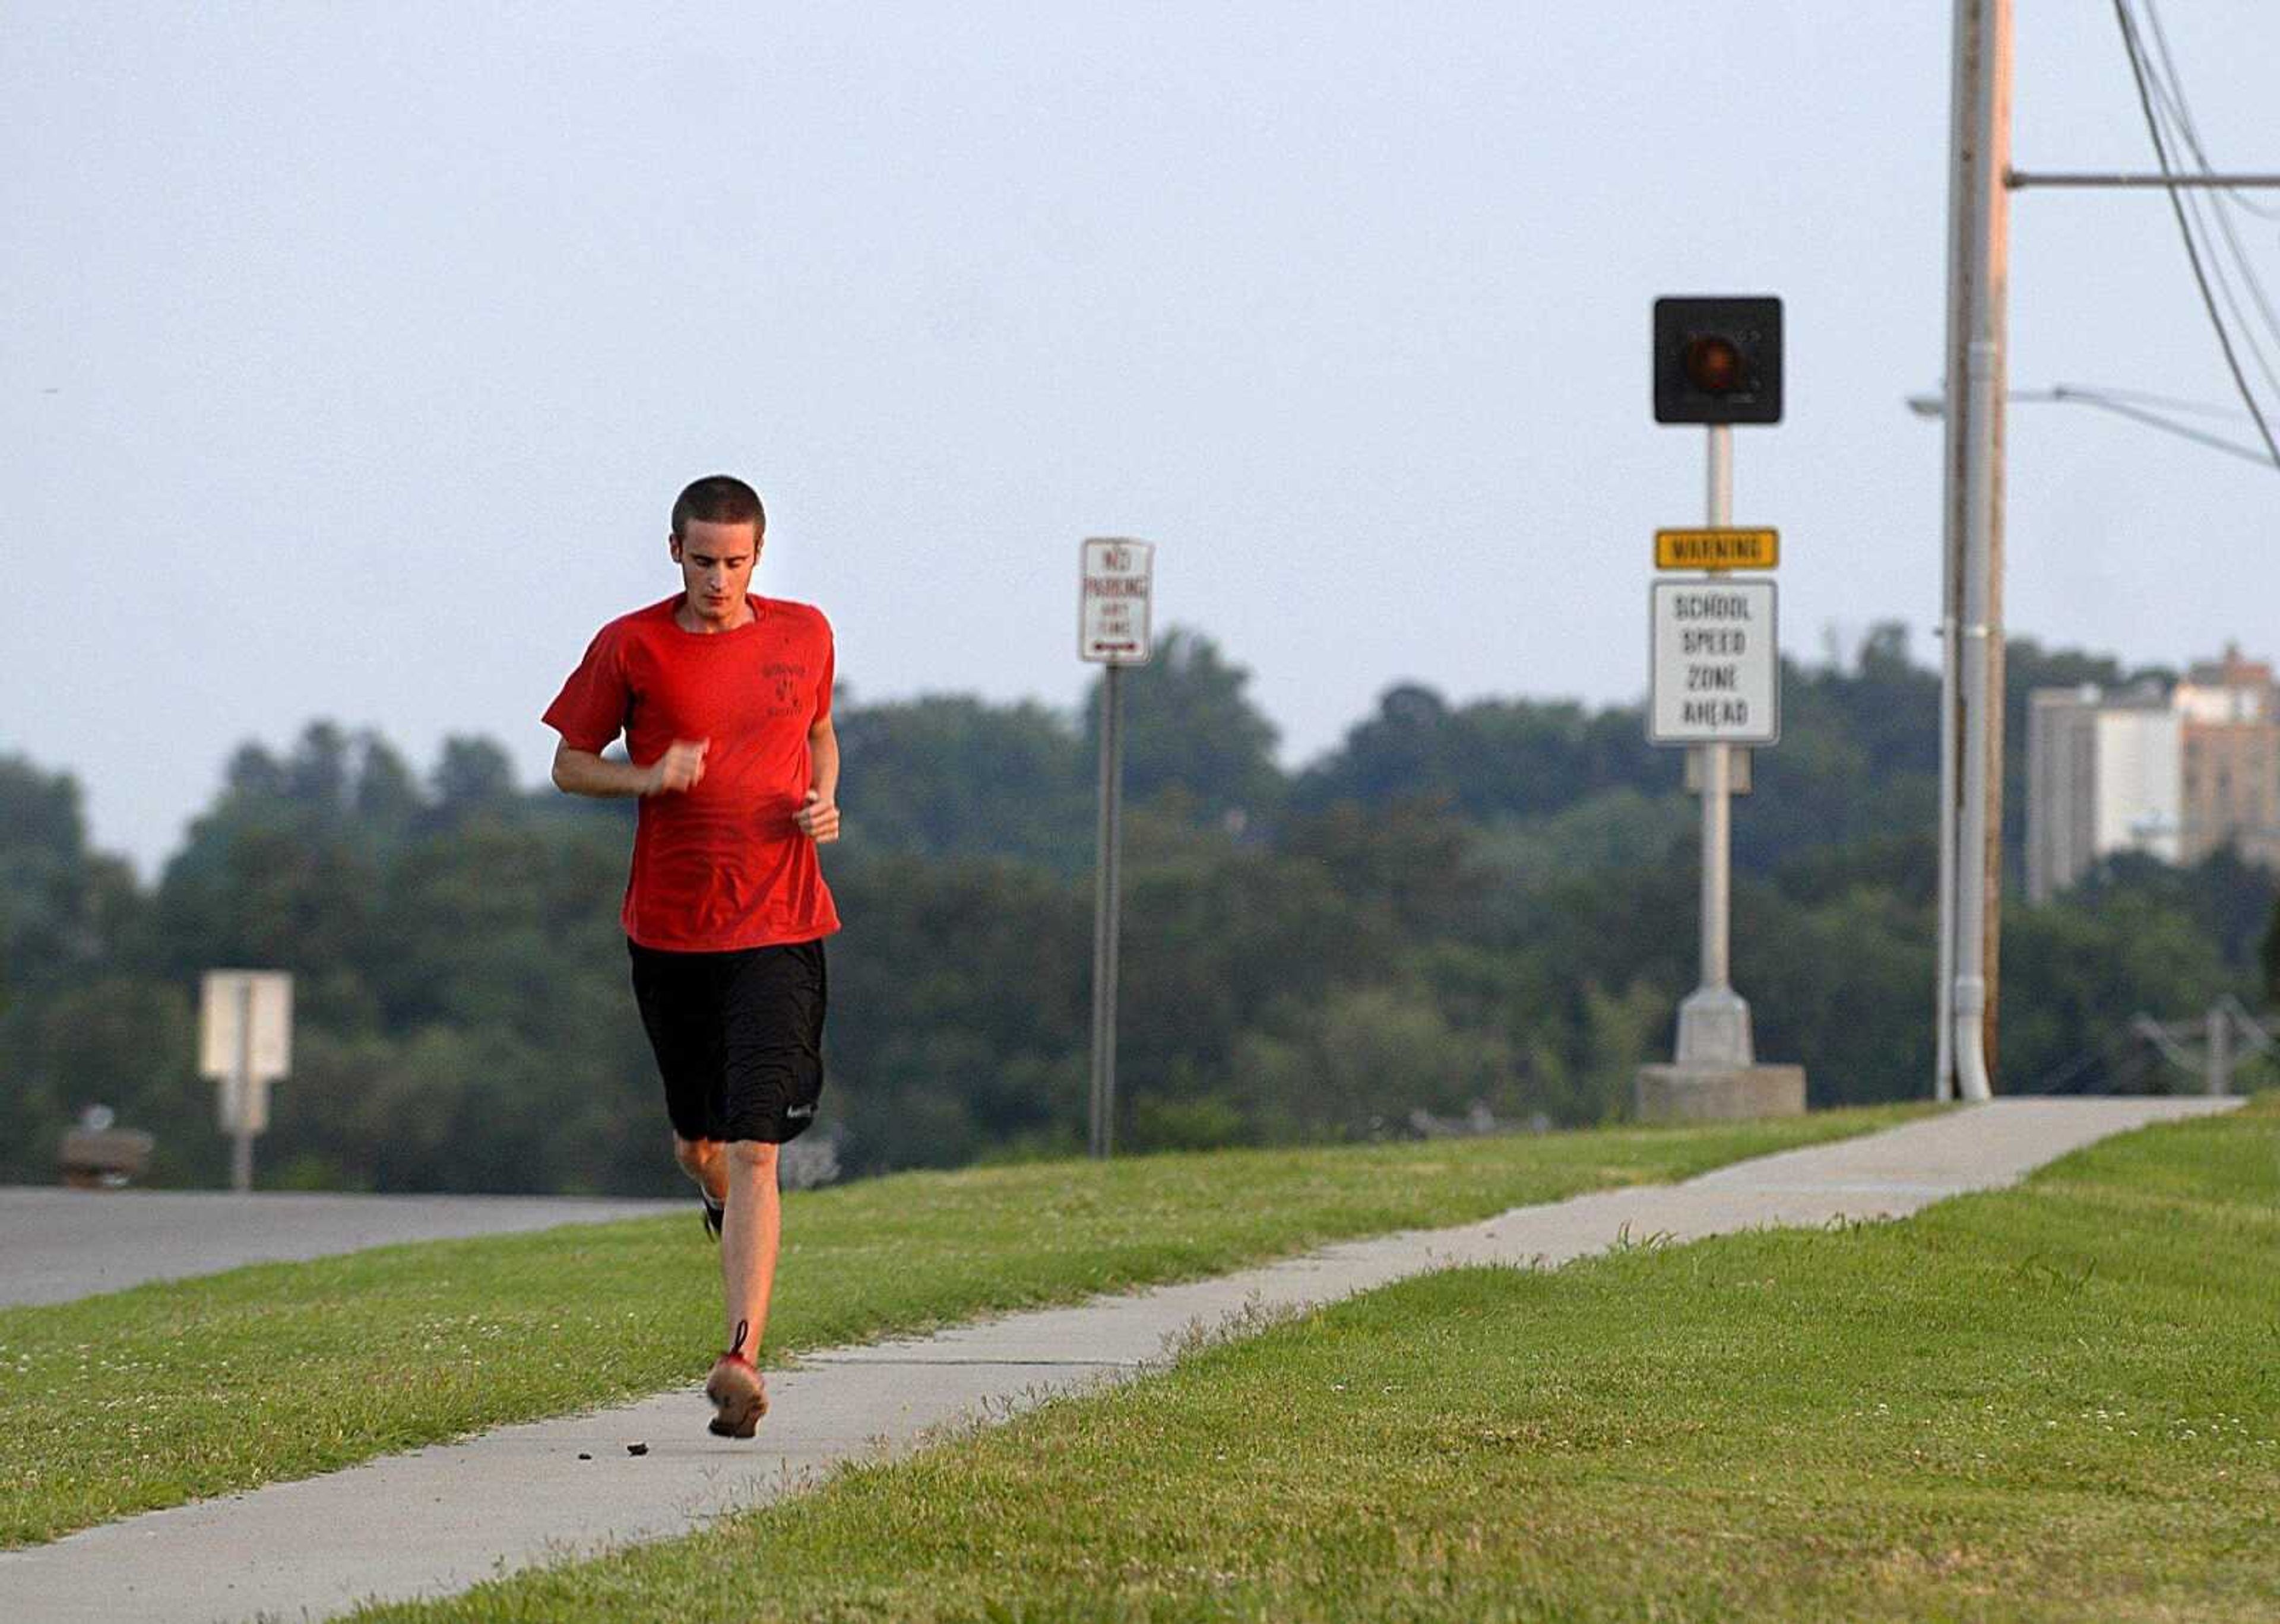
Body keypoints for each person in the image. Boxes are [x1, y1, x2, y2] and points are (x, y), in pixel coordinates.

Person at [542, 474, 840, 1438]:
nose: (721, 578)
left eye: (737, 561)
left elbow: (821, 733)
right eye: (704, 560)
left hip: (781, 927)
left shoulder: (804, 634)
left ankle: (742, 1358)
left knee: (758, 1146)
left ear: (760, 557)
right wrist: (646, 775)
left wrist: (823, 800)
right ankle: (712, 1202)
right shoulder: (632, 644)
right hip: (670, 933)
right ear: (676, 552)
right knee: (699, 1146)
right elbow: (568, 763)